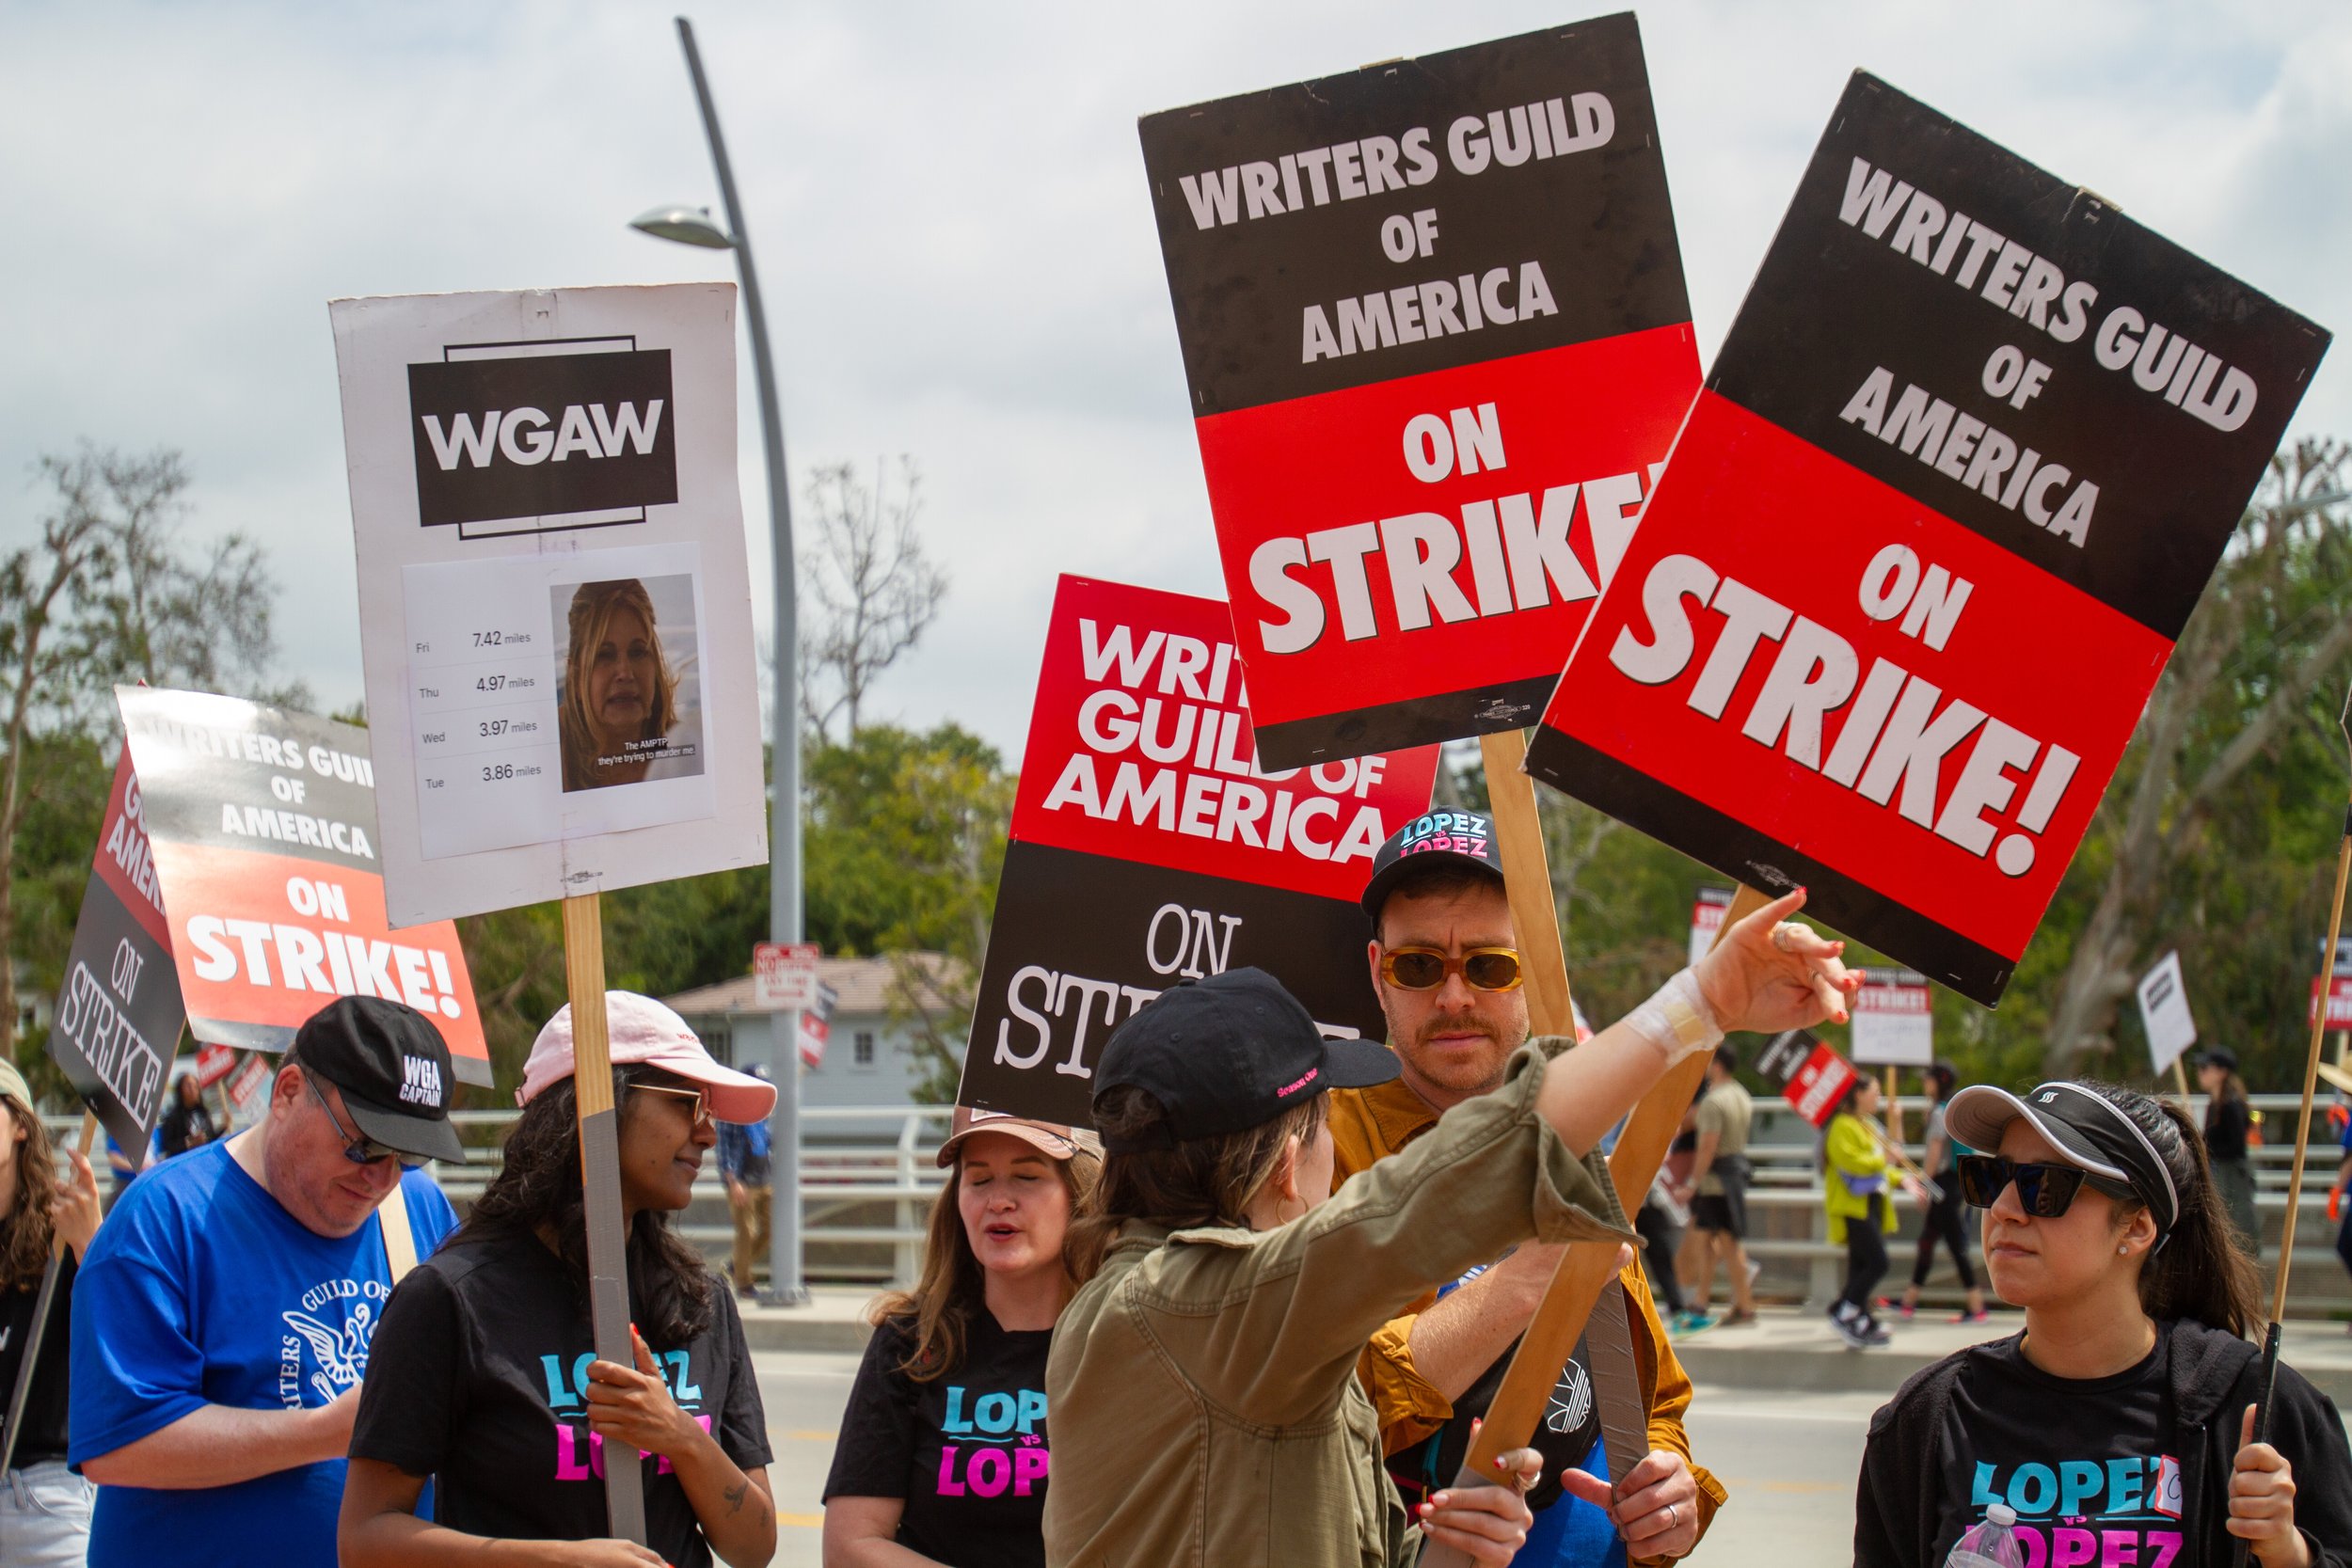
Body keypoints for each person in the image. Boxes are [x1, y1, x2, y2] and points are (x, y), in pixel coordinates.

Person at [1045, 887, 1860, 1568]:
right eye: (1329, 1120)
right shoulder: (1208, 1311)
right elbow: (1439, 1193)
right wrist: (1702, 1002)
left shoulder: (1185, 1318)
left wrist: (1453, 1536)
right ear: (1288, 1164)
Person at [1329, 809, 1723, 1563]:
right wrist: (1528, 1278)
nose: (1453, 996)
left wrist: (1675, 1492)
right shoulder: (1319, 1147)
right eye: (1418, 966)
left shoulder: (1573, 1143)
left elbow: (1655, 1398)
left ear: (1532, 973)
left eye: (1488, 965)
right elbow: (1300, 1410)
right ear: (1378, 973)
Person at [341, 992, 775, 1568]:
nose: (706, 1134)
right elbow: (366, 1540)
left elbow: (753, 1548)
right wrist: (556, 1561)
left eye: (709, 1112)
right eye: (684, 1103)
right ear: (597, 1106)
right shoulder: (451, 1299)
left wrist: (681, 1436)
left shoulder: (703, 1298)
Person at [1854, 1079, 2352, 1567]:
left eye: (2042, 1187)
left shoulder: (2255, 1411)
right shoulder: (1924, 1422)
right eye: (1990, 1178)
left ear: (2136, 1227)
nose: (2003, 1209)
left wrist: (2289, 1553)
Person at [70, 996, 466, 1568]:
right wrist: (326, 1432)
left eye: (407, 1155)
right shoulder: (167, 1217)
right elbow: (119, 1446)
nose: (381, 1177)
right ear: (286, 1093)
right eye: (364, 1143)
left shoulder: (419, 1209)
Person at [822, 1106, 1101, 1567]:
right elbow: (849, 1547)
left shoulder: (1122, 1340)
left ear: (1079, 1194)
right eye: (979, 1179)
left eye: (1027, 1177)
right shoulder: (909, 1341)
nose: (999, 1201)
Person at [0, 1058, 103, 1565]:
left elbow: (128, 1333)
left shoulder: (57, 1236)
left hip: (43, 1502)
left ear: (20, 1124)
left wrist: (93, 1246)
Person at [559, 578, 692, 791]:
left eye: (638, 652)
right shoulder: (548, 750)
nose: (625, 673)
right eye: (605, 655)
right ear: (575, 678)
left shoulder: (683, 754)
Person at [1896, 1061, 1987, 1324]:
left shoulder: (1939, 1112)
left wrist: (1925, 1183)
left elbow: (1935, 1151)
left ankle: (1976, 1306)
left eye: (1928, 1079)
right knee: (1928, 1241)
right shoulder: (1954, 1109)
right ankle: (1908, 1301)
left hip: (1943, 1185)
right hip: (1955, 1182)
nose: (1925, 1083)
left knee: (1955, 1244)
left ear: (1939, 1081)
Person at [1673, 1045, 1756, 1333]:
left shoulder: (1713, 1101)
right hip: (1734, 1175)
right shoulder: (1741, 1095)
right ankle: (1701, 1299)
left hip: (1714, 1183)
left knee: (1727, 1244)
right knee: (1714, 1243)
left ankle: (1744, 1304)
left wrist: (1692, 1183)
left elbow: (1707, 1146)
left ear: (1717, 1065)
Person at [1823, 1075, 1901, 1349]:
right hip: (1852, 1206)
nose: (1878, 1097)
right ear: (1858, 1094)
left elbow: (1883, 1165)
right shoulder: (1842, 1125)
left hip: (1870, 1202)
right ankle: (1846, 1312)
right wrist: (1884, 1159)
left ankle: (1858, 1316)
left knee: (1860, 1265)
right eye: (1875, 1092)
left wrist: (1900, 1177)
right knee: (1877, 1261)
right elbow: (1854, 1163)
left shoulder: (1867, 1125)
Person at [2198, 1047, 2261, 1256]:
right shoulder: (2213, 1105)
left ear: (2221, 1072)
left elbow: (2235, 1146)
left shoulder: (2231, 1105)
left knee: (2238, 1229)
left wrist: (2207, 1147)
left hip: (2231, 1176)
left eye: (2205, 1068)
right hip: (2220, 1173)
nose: (2200, 1073)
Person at [718, 1062, 772, 1298]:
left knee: (771, 1229)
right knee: (746, 1232)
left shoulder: (764, 1109)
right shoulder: (731, 1110)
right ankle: (744, 1283)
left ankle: (734, 1266)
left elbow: (767, 1142)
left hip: (764, 1177)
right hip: (742, 1180)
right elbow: (723, 1148)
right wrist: (733, 1181)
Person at [157, 1070, 217, 1159]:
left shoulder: (204, 1113)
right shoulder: (173, 1117)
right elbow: (168, 1146)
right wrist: (190, 1142)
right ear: (180, 1090)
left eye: (195, 1086)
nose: (193, 1090)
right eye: (188, 1086)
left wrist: (224, 1127)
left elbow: (212, 1137)